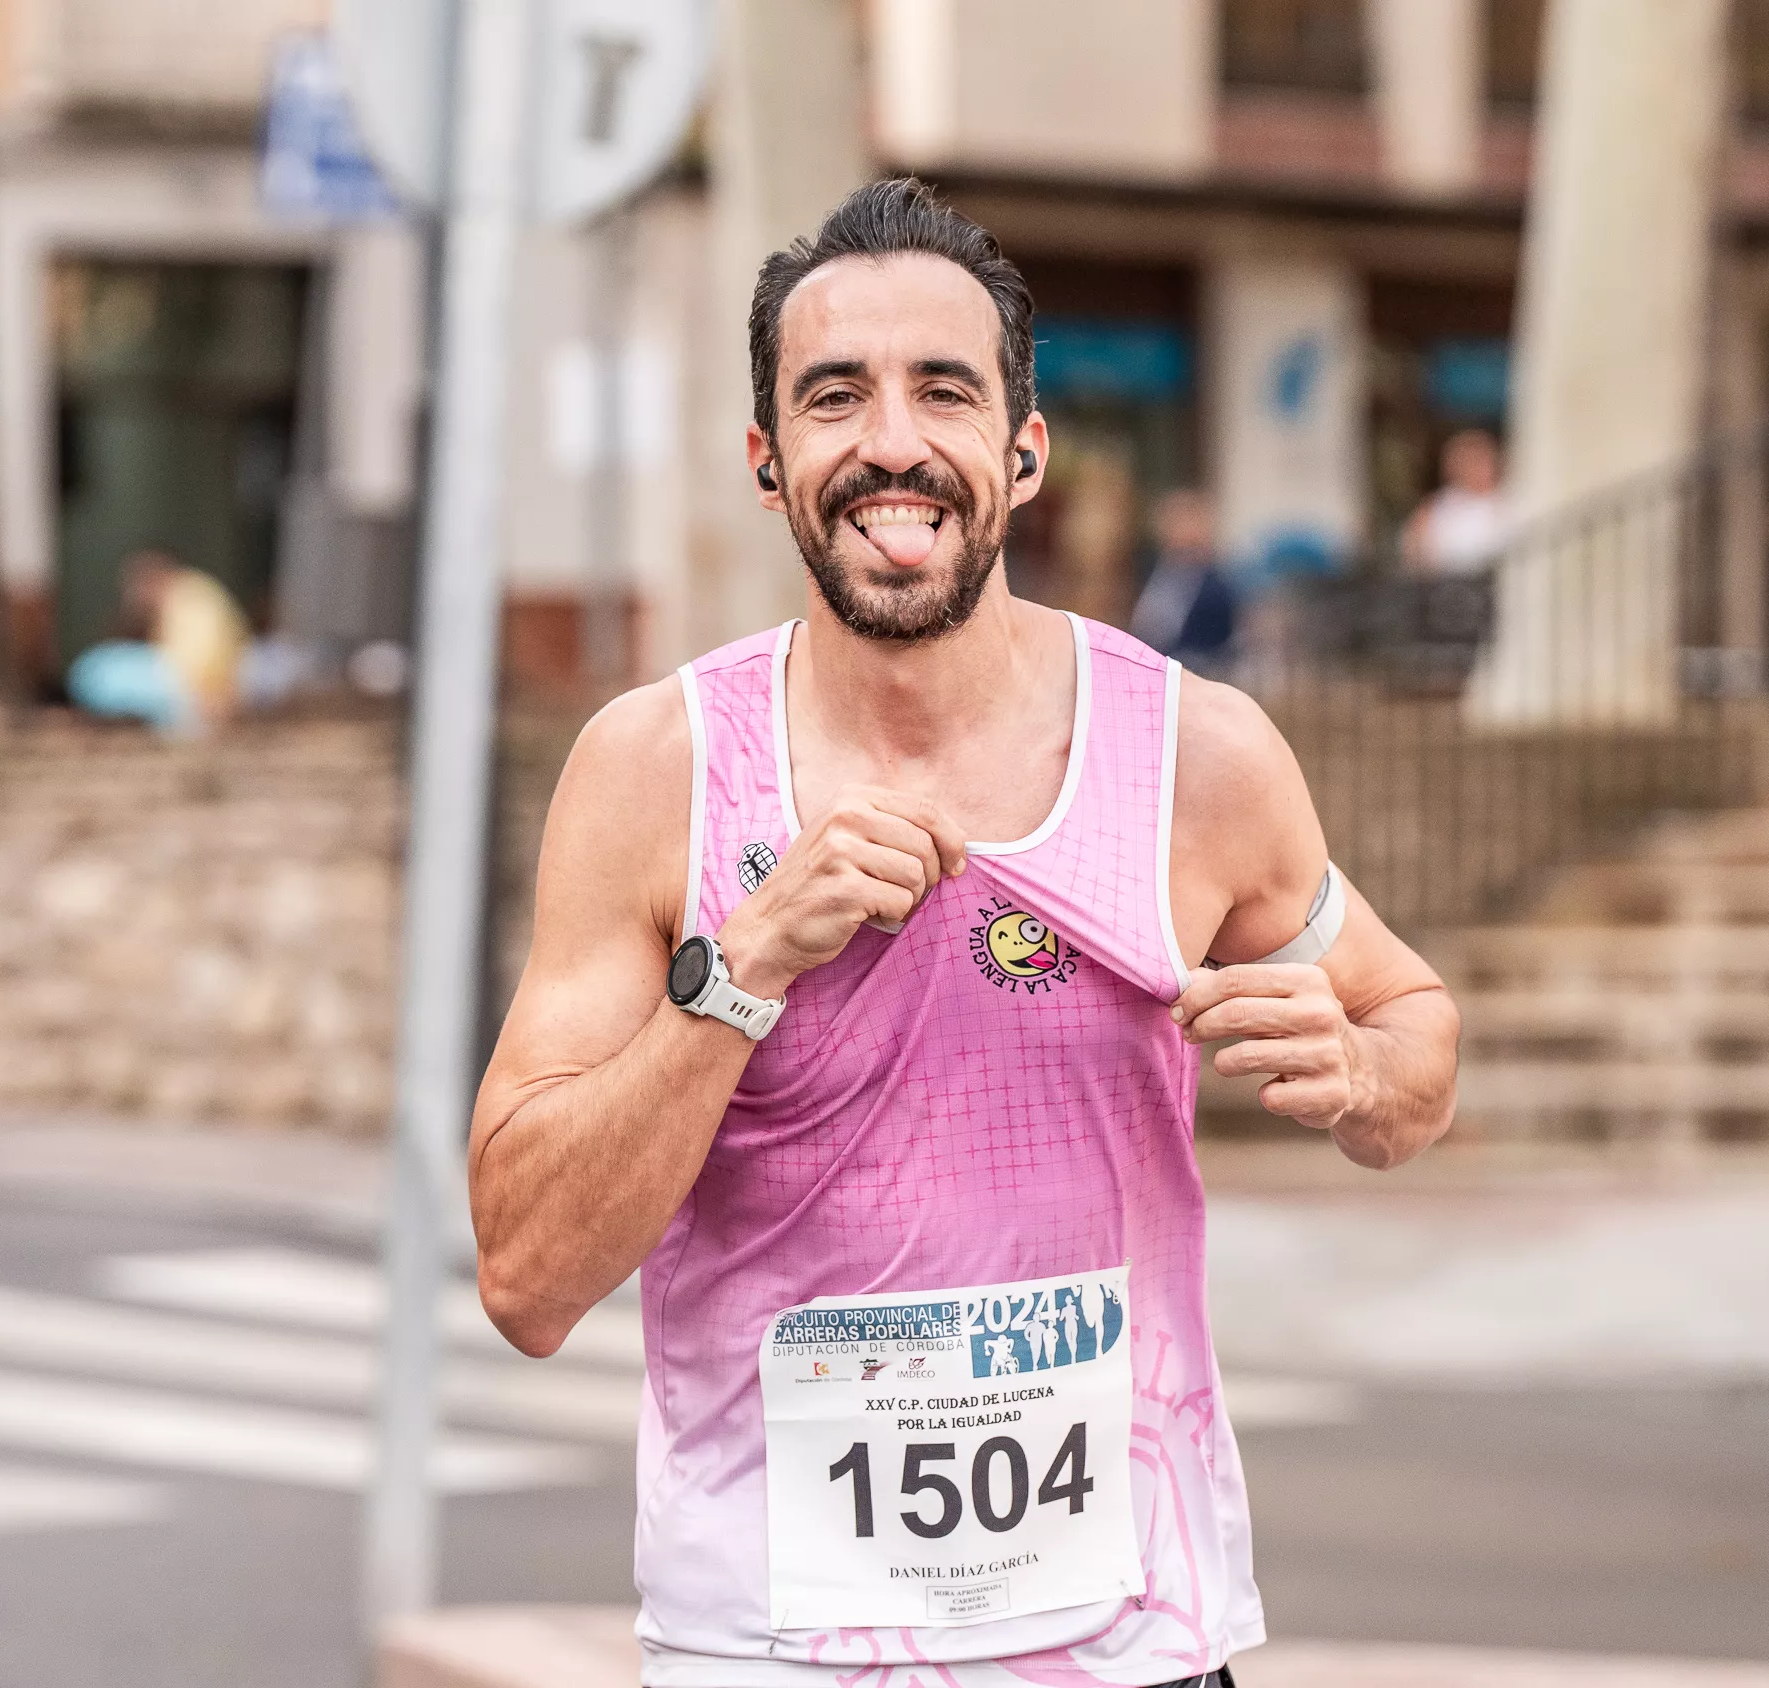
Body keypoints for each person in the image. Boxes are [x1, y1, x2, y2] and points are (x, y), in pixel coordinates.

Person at [469, 178, 1460, 1688]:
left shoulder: (1197, 754)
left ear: (1023, 450)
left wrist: (1360, 1072)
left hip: (1129, 1648)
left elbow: (1415, 1041)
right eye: (833, 397)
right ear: (767, 461)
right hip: (772, 1656)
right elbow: (528, 1277)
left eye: (943, 389)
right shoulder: (655, 770)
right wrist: (741, 972)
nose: (890, 443)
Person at [66, 550, 249, 735]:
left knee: (94, 669)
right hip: (202, 688)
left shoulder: (187, 597)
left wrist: (208, 699)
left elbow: (199, 662)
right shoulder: (194, 590)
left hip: (195, 691)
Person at [1128, 487, 1239, 675]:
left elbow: (1218, 646)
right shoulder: (1147, 569)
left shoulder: (1216, 586)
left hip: (1190, 672)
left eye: (1185, 521)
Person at [1400, 428, 1516, 574]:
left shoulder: (1509, 499)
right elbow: (1414, 549)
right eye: (1468, 460)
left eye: (1481, 459)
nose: (1477, 467)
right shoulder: (1437, 504)